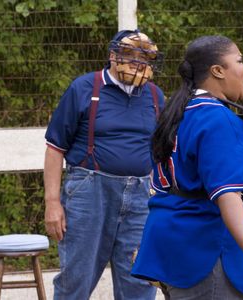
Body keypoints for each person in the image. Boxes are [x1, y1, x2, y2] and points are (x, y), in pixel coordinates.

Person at [131, 35, 243, 299]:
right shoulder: (216, 118)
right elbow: (227, 193)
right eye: (239, 60)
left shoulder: (179, 110)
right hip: (205, 248)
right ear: (218, 71)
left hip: (172, 238)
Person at [43, 29, 164, 300]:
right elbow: (55, 148)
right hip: (89, 193)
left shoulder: (155, 96)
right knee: (76, 278)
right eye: (130, 54)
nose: (138, 62)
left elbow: (163, 152)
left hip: (141, 197)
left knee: (140, 280)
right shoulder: (84, 88)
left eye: (144, 56)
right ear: (113, 55)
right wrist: (52, 202)